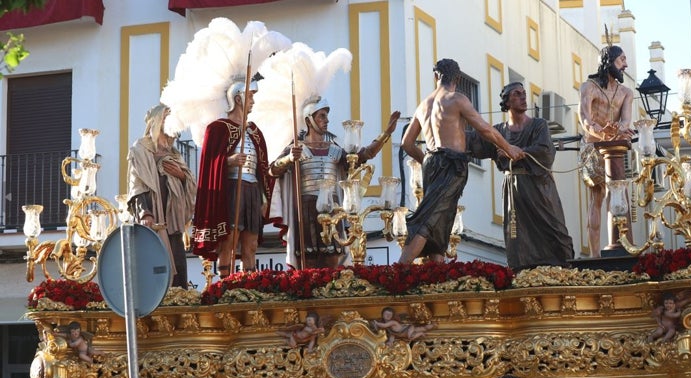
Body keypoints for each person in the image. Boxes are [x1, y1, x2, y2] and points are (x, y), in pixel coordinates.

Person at [399, 58, 524, 264]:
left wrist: (426, 160)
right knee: (430, 219)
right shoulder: (456, 99)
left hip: (431, 163)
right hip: (452, 165)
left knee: (441, 221)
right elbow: (484, 128)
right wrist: (508, 147)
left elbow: (407, 143)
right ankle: (399, 270)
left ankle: (436, 273)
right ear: (457, 77)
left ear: (436, 76)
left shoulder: (423, 105)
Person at [269, 96, 400, 269]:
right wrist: (288, 159)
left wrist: (386, 134)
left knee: (332, 256)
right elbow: (272, 170)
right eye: (321, 116)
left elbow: (363, 156)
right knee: (308, 258)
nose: (326, 120)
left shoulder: (334, 150)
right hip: (306, 208)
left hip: (333, 208)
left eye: (326, 116)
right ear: (309, 120)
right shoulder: (297, 147)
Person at [467, 82, 574, 270]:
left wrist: (513, 152)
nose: (524, 97)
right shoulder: (498, 132)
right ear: (507, 101)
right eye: (517, 94)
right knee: (518, 239)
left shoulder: (538, 125)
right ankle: (523, 275)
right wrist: (449, 124)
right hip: (514, 191)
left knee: (557, 232)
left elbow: (545, 152)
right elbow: (473, 142)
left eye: (524, 93)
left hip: (540, 188)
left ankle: (564, 270)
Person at [192, 78, 273, 278]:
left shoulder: (254, 131)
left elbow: (261, 169)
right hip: (231, 189)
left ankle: (249, 284)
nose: (253, 101)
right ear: (238, 99)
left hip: (252, 190)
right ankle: (225, 284)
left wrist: (264, 198)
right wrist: (228, 161)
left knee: (251, 244)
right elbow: (209, 163)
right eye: (250, 96)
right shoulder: (218, 128)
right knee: (229, 241)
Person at [127, 103, 196, 288]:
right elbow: (136, 185)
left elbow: (189, 183)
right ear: (157, 121)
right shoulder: (140, 150)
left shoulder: (174, 154)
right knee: (155, 263)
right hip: (153, 218)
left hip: (173, 220)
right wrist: (145, 213)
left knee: (178, 259)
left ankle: (179, 299)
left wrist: (181, 176)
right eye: (167, 118)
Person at [578, 45, 634, 258]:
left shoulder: (626, 93)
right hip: (593, 148)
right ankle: (595, 256)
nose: (625, 65)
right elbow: (585, 119)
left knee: (618, 194)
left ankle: (620, 246)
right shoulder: (589, 87)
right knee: (597, 196)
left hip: (615, 151)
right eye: (622, 60)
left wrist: (617, 130)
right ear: (609, 61)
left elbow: (626, 121)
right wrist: (601, 132)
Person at [371, 307, 435, 345]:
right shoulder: (389, 329)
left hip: (407, 329)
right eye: (386, 314)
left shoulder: (392, 322)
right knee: (422, 328)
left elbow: (384, 325)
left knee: (410, 337)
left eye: (390, 315)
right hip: (405, 332)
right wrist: (390, 342)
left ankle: (421, 334)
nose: (388, 316)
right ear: (382, 315)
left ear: (392, 316)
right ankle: (433, 325)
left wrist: (376, 323)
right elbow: (392, 335)